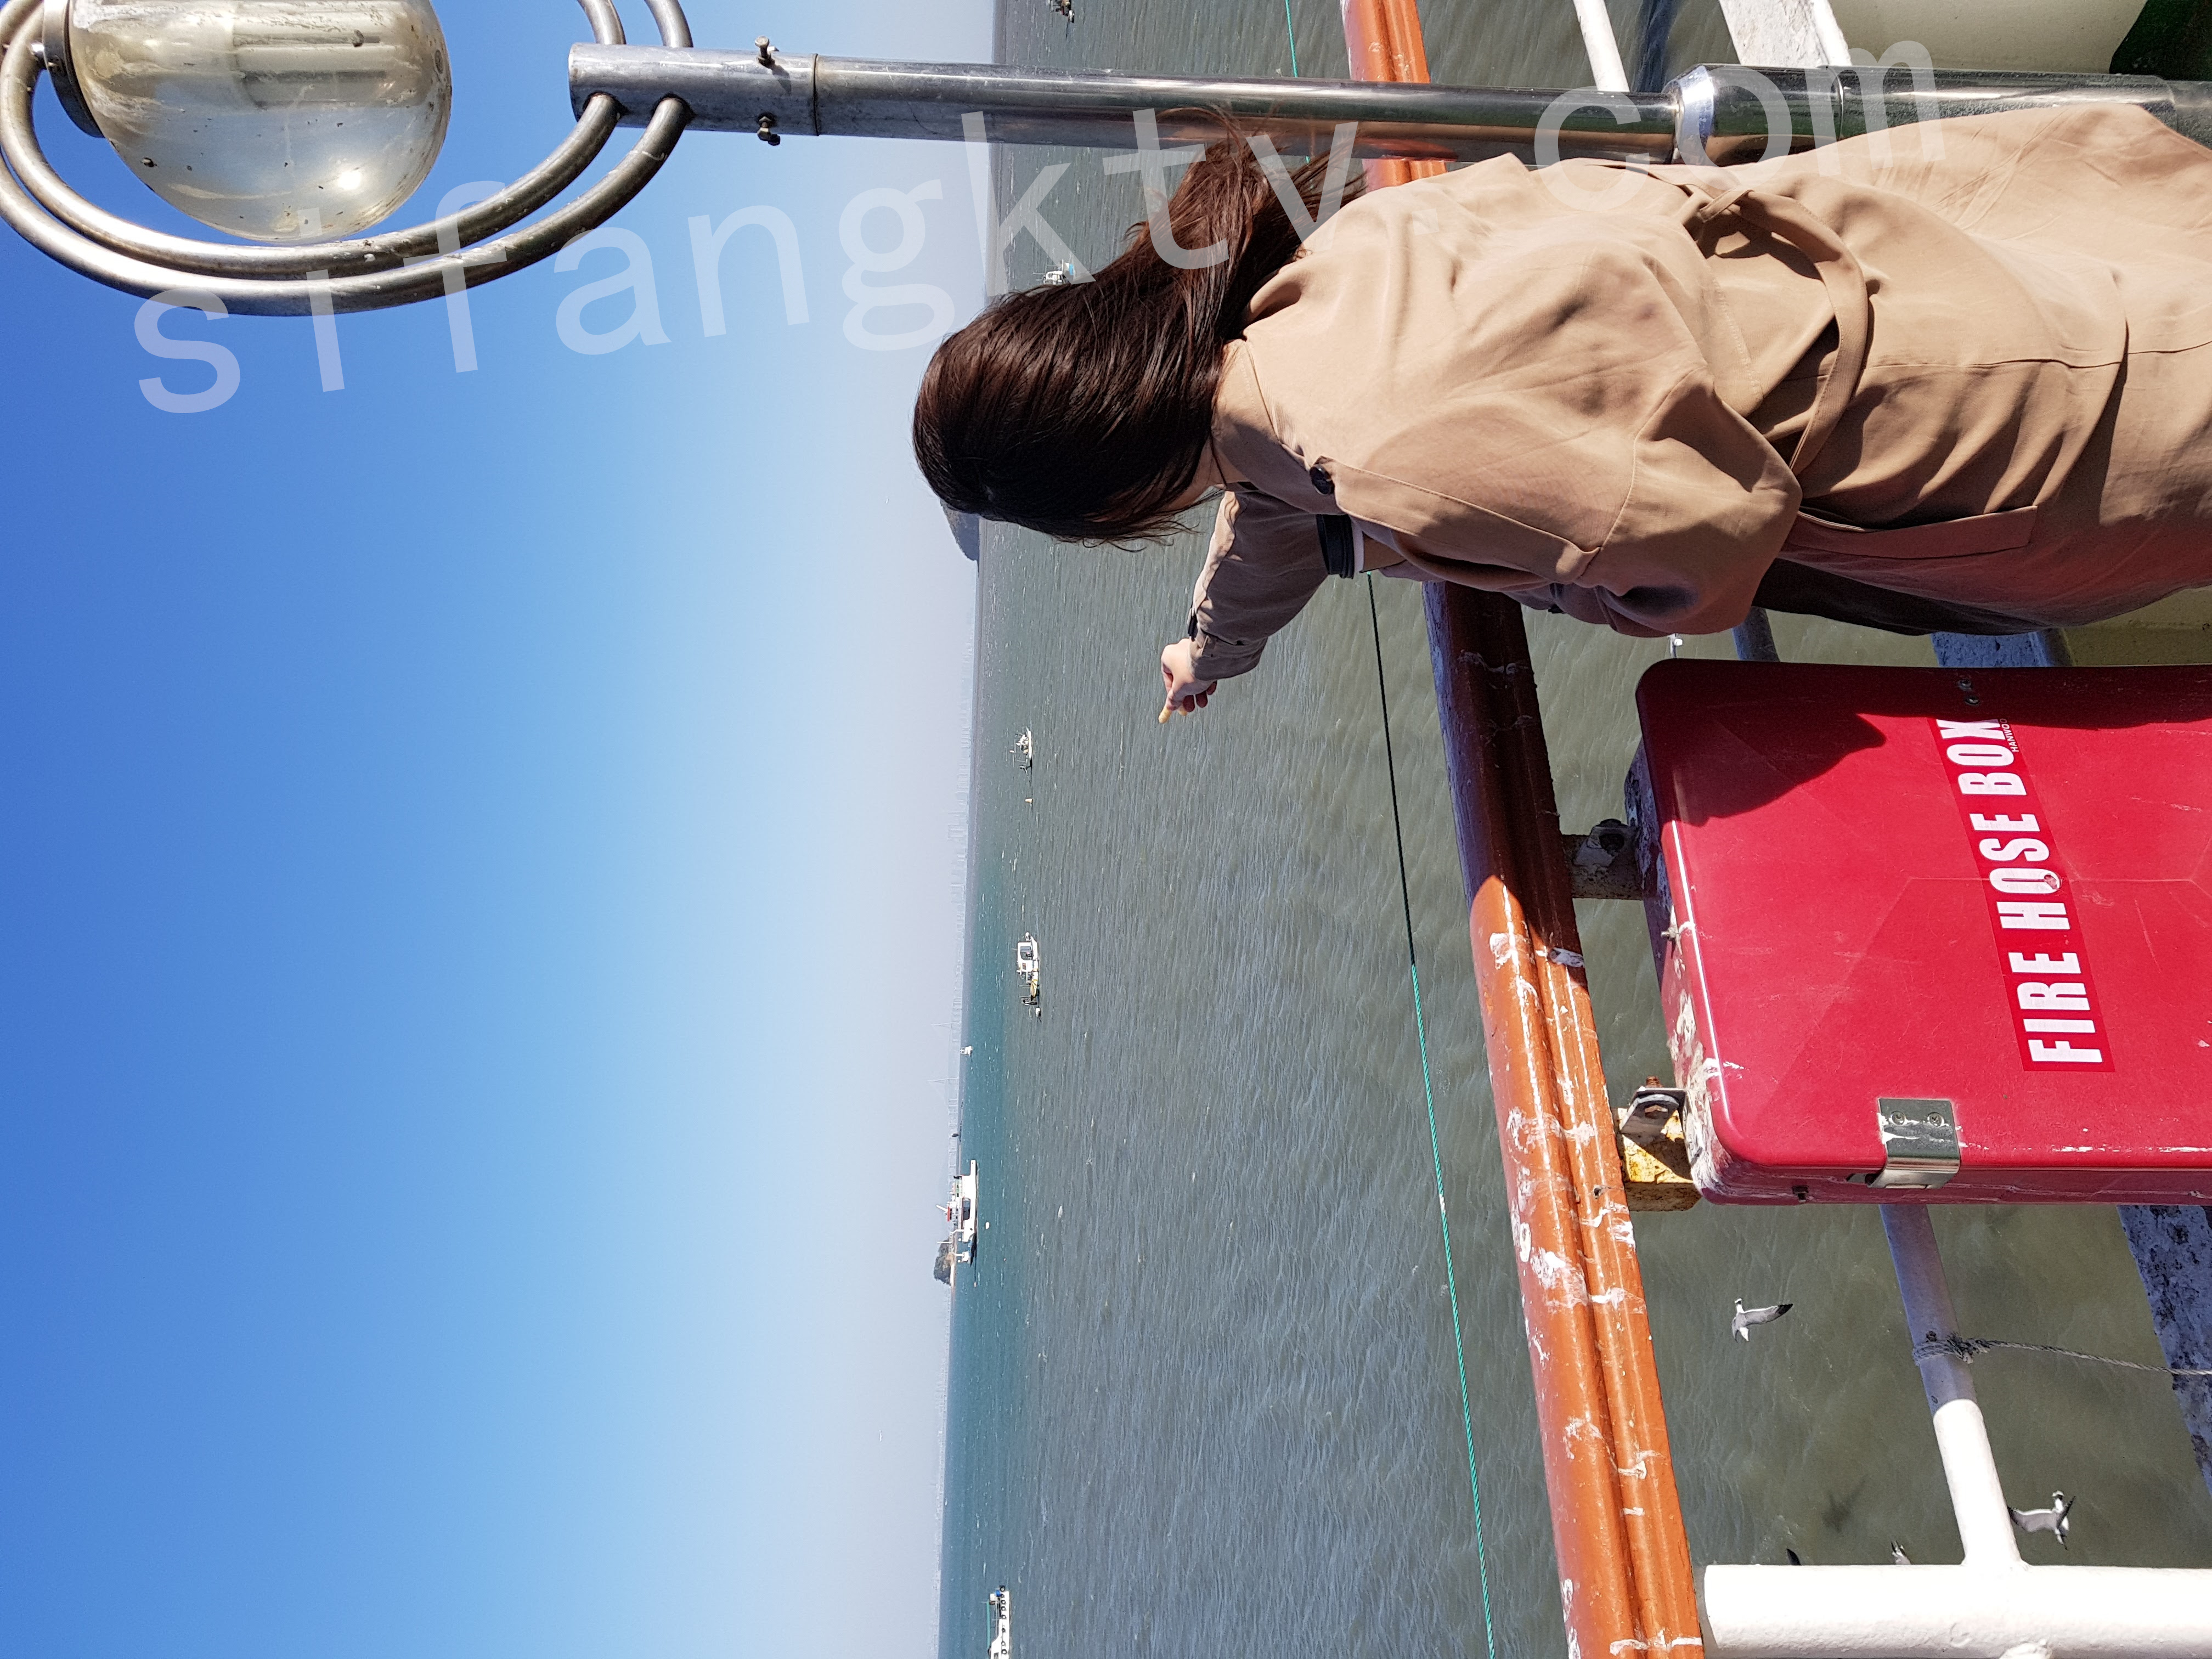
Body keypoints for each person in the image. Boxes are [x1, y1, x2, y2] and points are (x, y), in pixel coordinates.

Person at [914, 103, 2212, 715]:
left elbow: (1709, 553)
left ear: (1113, 498)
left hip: (2009, 428)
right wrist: (1212, 647)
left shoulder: (1384, 456)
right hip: (1929, 250)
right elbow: (1280, 489)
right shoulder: (1300, 287)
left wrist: (1410, 548)